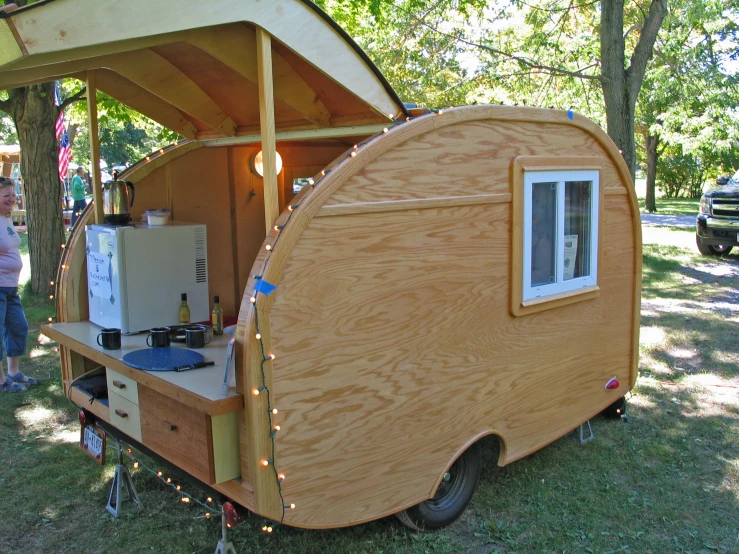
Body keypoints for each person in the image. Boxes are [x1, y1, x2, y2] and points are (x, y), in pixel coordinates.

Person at [0, 177, 34, 393]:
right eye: (6, 195)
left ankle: (14, 373)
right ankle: (2, 382)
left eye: (13, 194)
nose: (12, 199)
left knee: (18, 327)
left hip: (10, 287)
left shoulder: (6, 218)